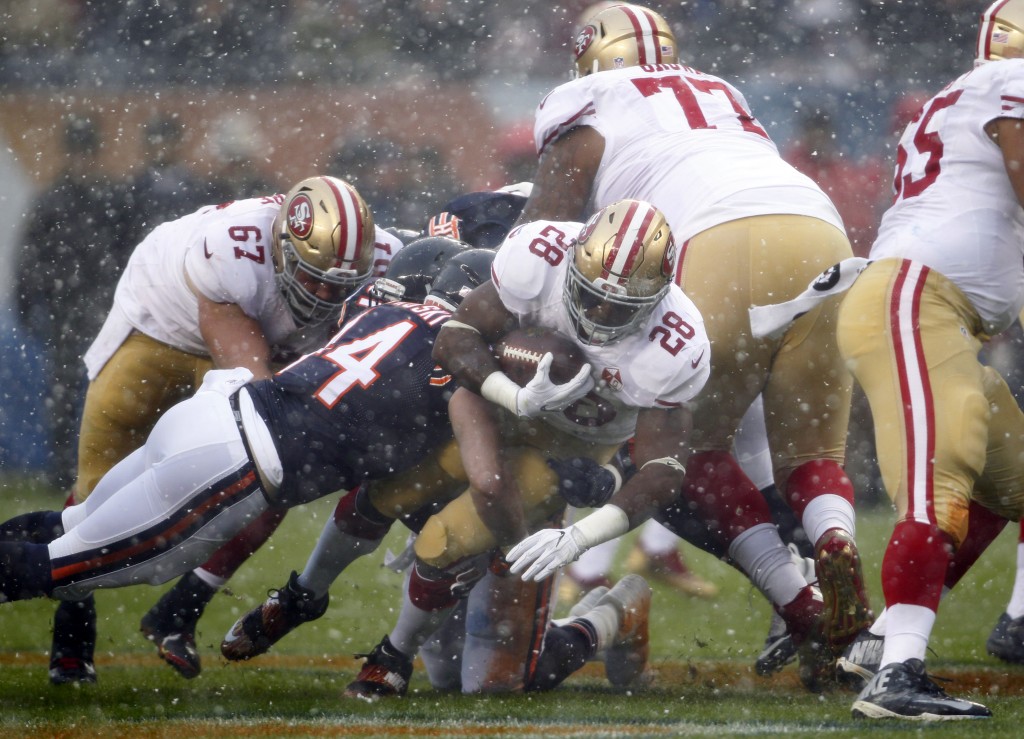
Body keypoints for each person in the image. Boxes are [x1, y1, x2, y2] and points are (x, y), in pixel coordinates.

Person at [503, 3, 870, 691]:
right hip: (817, 224)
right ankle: (833, 542)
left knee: (677, 459)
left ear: (587, 59)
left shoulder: (585, 113)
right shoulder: (717, 94)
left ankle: (800, 602)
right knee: (812, 455)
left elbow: (540, 241)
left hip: (717, 241)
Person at [31, 175, 401, 685]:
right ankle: (72, 638)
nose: (324, 294)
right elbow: (250, 383)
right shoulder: (232, 250)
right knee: (94, 492)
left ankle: (179, 612)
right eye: (313, 277)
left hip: (257, 345)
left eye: (339, 283)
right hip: (159, 331)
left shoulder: (387, 257)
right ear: (281, 246)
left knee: (270, 480)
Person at [335, 199, 711, 700]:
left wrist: (579, 537)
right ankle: (317, 607)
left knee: (496, 683)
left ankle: (612, 614)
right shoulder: (539, 257)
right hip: (496, 418)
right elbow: (456, 339)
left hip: (568, 451)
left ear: (656, 299)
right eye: (592, 295)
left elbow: (664, 470)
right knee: (445, 673)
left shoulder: (674, 344)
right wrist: (511, 393)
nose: (599, 314)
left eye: (619, 308)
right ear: (572, 261)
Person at [831, 0, 1024, 720]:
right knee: (937, 482)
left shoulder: (965, 97)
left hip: (936, 309)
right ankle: (897, 676)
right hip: (916, 301)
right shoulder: (1010, 84)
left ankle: (882, 639)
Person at [15, 114, 132, 493]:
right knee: (69, 392)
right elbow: (31, 259)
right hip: (72, 308)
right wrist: (30, 301)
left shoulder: (105, 198)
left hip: (98, 306)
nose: (83, 160)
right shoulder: (62, 200)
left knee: (108, 389)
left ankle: (102, 468)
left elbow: (129, 253)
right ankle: (67, 469)